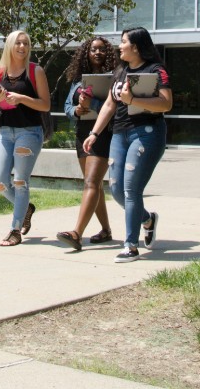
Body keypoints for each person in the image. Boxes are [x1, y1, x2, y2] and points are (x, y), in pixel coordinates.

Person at [83, 27, 171, 262]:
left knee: (132, 190)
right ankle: (148, 219)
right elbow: (110, 106)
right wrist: (94, 133)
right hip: (119, 135)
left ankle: (131, 245)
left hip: (146, 134)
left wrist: (133, 99)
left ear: (136, 46)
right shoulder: (120, 71)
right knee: (117, 191)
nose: (119, 46)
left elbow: (166, 104)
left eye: (123, 42)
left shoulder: (156, 71)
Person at [0, 30, 51, 247]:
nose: (22, 47)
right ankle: (26, 209)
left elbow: (45, 105)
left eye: (26, 43)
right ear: (10, 46)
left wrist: (21, 98)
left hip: (29, 132)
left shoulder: (35, 71)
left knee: (21, 181)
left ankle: (15, 230)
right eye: (18, 43)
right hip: (5, 132)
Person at [55, 36, 115, 251]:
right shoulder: (78, 80)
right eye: (93, 49)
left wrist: (93, 103)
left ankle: (76, 234)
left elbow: (114, 108)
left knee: (90, 182)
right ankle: (106, 230)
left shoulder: (114, 78)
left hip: (103, 134)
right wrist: (77, 111)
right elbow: (66, 106)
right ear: (86, 54)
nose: (97, 53)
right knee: (94, 184)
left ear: (108, 53)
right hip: (82, 133)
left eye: (102, 49)